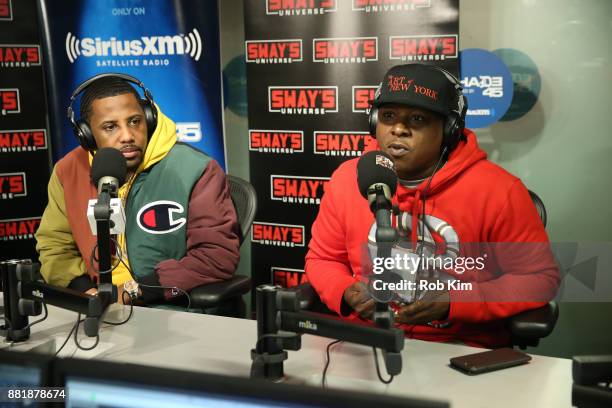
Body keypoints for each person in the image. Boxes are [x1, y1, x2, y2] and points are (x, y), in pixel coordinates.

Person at [305, 63, 559, 348]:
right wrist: (345, 291)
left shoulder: (500, 192)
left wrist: (456, 300)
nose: (398, 130)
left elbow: (539, 279)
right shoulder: (346, 179)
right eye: (388, 116)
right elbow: (322, 259)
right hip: (364, 340)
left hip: (459, 346)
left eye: (416, 119)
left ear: (449, 130)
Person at [35, 74, 240, 306]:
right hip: (93, 306)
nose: (127, 136)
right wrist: (86, 291)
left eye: (135, 121)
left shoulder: (196, 170)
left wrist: (132, 291)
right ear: (87, 134)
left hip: (169, 310)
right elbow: (55, 246)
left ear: (149, 118)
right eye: (110, 127)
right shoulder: (67, 172)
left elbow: (216, 256)